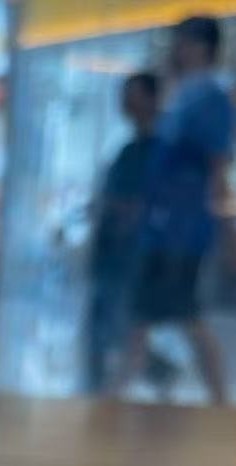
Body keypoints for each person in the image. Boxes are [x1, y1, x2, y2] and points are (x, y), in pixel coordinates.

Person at [118, 15, 234, 404]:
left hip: (182, 233)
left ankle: (221, 400)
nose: (175, 50)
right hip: (161, 229)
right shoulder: (183, 96)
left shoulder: (211, 99)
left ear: (202, 47)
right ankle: (116, 393)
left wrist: (228, 229)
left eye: (182, 42)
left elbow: (218, 169)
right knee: (147, 316)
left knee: (184, 315)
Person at [87, 72, 159, 393]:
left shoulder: (157, 151)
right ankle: (108, 390)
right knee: (111, 326)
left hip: (132, 255)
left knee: (126, 326)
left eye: (133, 94)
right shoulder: (130, 148)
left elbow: (144, 205)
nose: (125, 102)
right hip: (113, 253)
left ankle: (114, 391)